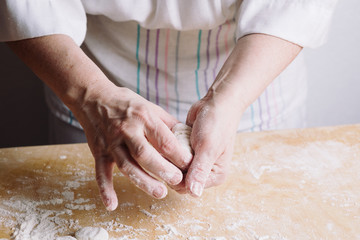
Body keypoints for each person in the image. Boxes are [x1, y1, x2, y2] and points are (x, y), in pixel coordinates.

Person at [0, 0, 338, 211]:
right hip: (91, 82)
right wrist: (90, 96)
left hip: (251, 83)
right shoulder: (91, 95)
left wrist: (228, 98)